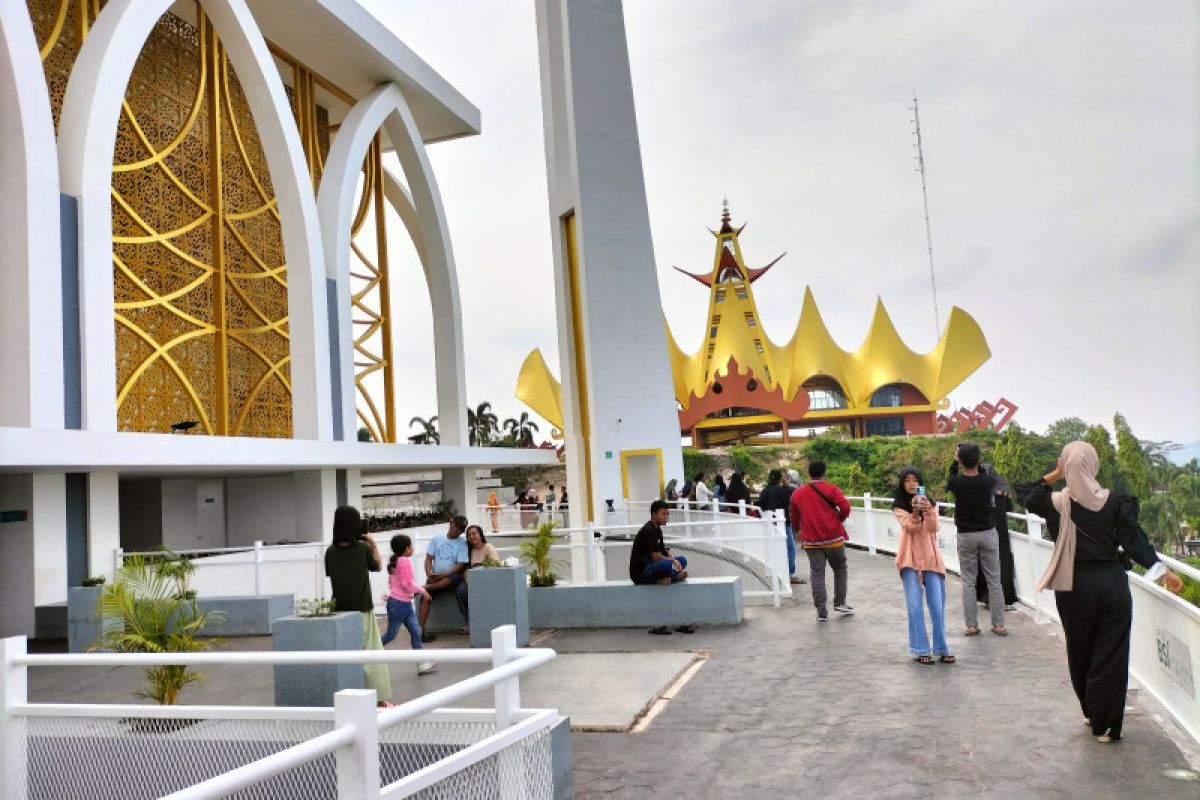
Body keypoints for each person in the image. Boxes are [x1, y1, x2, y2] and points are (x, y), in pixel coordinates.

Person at [1016, 442, 1182, 743]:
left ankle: (1092, 711)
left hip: (1073, 587)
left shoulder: (1055, 503)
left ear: (1066, 466)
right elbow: (1134, 540)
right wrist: (1161, 569)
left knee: (1080, 650)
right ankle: (1106, 725)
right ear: (1094, 465)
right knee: (1112, 652)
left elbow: (1023, 492)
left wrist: (1053, 474)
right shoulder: (1115, 502)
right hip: (1111, 585)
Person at [324, 506, 394, 706]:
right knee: (372, 656)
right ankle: (380, 700)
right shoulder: (362, 549)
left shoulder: (330, 552)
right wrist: (373, 544)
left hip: (339, 611)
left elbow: (331, 574)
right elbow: (378, 566)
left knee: (347, 656)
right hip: (363, 609)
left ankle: (352, 699)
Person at [892, 468, 954, 664]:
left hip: (931, 559)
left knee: (937, 605)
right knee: (915, 606)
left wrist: (927, 509)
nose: (911, 484)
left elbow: (933, 528)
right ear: (902, 483)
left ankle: (942, 648)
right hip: (909, 559)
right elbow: (912, 527)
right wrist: (916, 512)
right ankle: (921, 649)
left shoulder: (931, 504)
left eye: (915, 480)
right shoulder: (899, 506)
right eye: (907, 480)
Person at [946, 443, 1006, 635]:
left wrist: (955, 463)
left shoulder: (957, 483)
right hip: (988, 533)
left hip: (966, 535)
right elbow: (986, 476)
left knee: (969, 582)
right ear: (978, 460)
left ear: (961, 460)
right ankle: (998, 625)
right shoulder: (987, 482)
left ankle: (971, 626)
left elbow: (949, 481)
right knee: (994, 581)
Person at [790, 461, 853, 621]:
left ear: (808, 473)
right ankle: (839, 602)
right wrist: (839, 518)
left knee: (817, 574)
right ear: (824, 472)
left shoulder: (798, 493)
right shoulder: (831, 489)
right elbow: (845, 506)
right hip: (833, 538)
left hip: (811, 540)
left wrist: (797, 530)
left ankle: (821, 612)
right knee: (840, 568)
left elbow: (794, 515)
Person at [629, 500, 693, 635]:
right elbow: (657, 557)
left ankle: (667, 577)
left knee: (682, 560)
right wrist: (670, 561)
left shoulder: (657, 529)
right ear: (654, 514)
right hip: (641, 573)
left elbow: (664, 551)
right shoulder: (648, 530)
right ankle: (672, 577)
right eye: (663, 514)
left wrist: (674, 559)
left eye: (667, 514)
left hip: (654, 567)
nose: (666, 517)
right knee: (665, 564)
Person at [380, 534, 436, 675]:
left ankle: (421, 664)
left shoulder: (396, 561)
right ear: (406, 548)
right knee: (391, 635)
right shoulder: (404, 561)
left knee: (416, 632)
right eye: (410, 545)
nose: (412, 548)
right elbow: (407, 584)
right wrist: (423, 591)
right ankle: (366, 653)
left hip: (402, 604)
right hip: (399, 605)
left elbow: (396, 584)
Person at [417, 515, 469, 641]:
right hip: (435, 578)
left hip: (450, 579)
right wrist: (429, 573)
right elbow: (429, 558)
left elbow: (460, 564)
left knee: (456, 577)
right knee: (425, 597)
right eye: (456, 525)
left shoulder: (462, 543)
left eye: (460, 528)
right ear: (450, 523)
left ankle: (422, 587)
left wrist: (444, 575)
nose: (457, 529)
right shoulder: (437, 538)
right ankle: (420, 632)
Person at [977, 463, 1017, 607]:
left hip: (985, 531)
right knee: (1002, 563)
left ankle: (988, 598)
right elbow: (1009, 508)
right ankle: (1005, 598)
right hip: (1001, 533)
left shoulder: (980, 489)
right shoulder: (1002, 488)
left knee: (986, 565)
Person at [758, 469, 803, 584]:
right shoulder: (782, 490)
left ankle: (774, 571)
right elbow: (790, 501)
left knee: (773, 547)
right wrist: (787, 487)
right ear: (780, 479)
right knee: (790, 548)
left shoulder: (764, 491)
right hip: (783, 523)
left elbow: (762, 505)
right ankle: (791, 574)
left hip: (769, 524)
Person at [455, 525, 502, 627]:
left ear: (480, 534)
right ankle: (468, 622)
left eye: (474, 534)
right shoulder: (468, 550)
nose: (471, 536)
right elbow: (465, 569)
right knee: (461, 590)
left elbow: (495, 566)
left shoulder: (489, 548)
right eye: (469, 535)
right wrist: (468, 581)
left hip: (487, 582)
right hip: (471, 582)